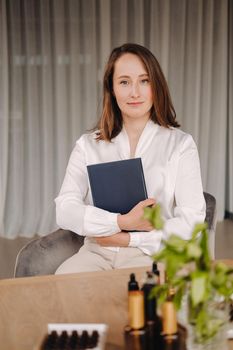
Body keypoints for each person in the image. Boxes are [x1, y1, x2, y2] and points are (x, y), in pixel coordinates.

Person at [55, 43, 206, 274]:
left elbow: (192, 220)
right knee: (63, 284)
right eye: (124, 82)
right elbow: (64, 209)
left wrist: (129, 240)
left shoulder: (180, 145)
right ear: (112, 89)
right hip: (97, 251)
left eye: (144, 81)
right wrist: (121, 223)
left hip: (151, 254)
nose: (135, 92)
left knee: (134, 299)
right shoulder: (87, 145)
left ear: (156, 86)